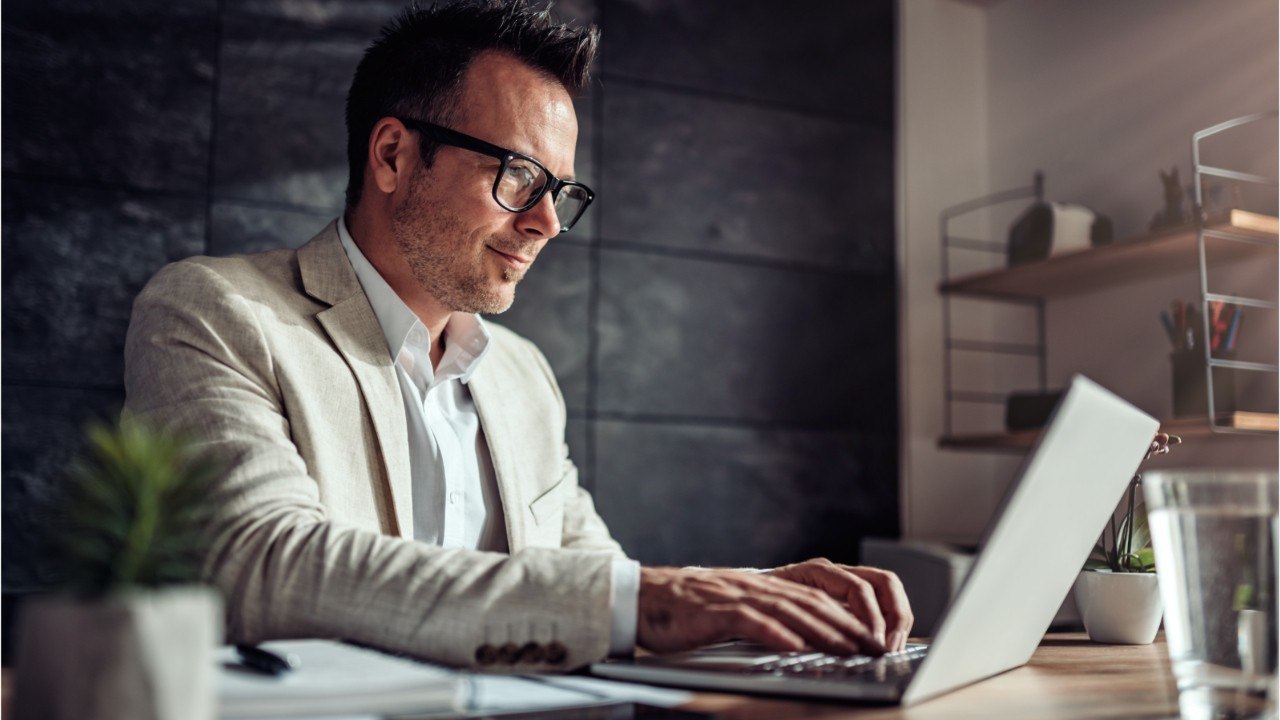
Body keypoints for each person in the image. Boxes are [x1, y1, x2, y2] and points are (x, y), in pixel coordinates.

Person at [123, 0, 912, 670]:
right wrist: (662, 600)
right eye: (518, 177)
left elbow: (594, 581)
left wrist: (762, 595)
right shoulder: (213, 310)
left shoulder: (522, 376)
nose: (544, 223)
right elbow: (261, 567)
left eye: (560, 192)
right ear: (394, 155)